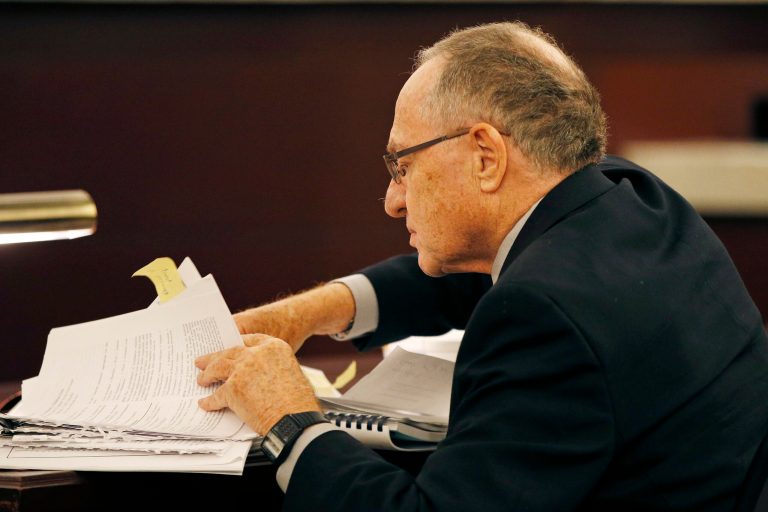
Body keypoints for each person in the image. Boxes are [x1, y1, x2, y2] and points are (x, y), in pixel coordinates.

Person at [195, 21, 768, 511]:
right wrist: (309, 312)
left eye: (401, 165)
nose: (394, 199)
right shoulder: (628, 197)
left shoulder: (543, 316)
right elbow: (472, 282)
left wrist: (288, 418)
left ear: (486, 156)